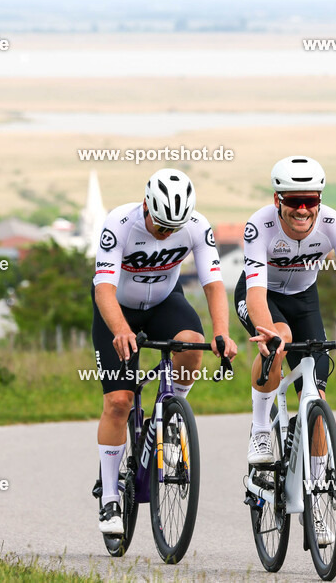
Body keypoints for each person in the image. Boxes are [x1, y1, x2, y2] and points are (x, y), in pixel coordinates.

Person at [234, 155, 336, 544]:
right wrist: (271, 335)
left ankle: (315, 497)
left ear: (319, 200)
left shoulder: (335, 225)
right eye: (294, 201)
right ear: (277, 200)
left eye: (310, 200)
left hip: (304, 299)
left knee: (316, 400)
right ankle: (260, 430)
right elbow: (255, 294)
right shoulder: (259, 226)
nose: (302, 209)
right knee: (278, 340)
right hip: (261, 295)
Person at [91, 168, 237, 534]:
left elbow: (213, 284)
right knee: (119, 402)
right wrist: (120, 330)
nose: (167, 233)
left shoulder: (197, 226)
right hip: (117, 308)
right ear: (146, 206)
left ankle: (170, 419)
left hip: (164, 302)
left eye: (175, 228)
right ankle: (109, 496)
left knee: (191, 344)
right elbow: (104, 289)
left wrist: (221, 333)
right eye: (161, 226)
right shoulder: (119, 224)